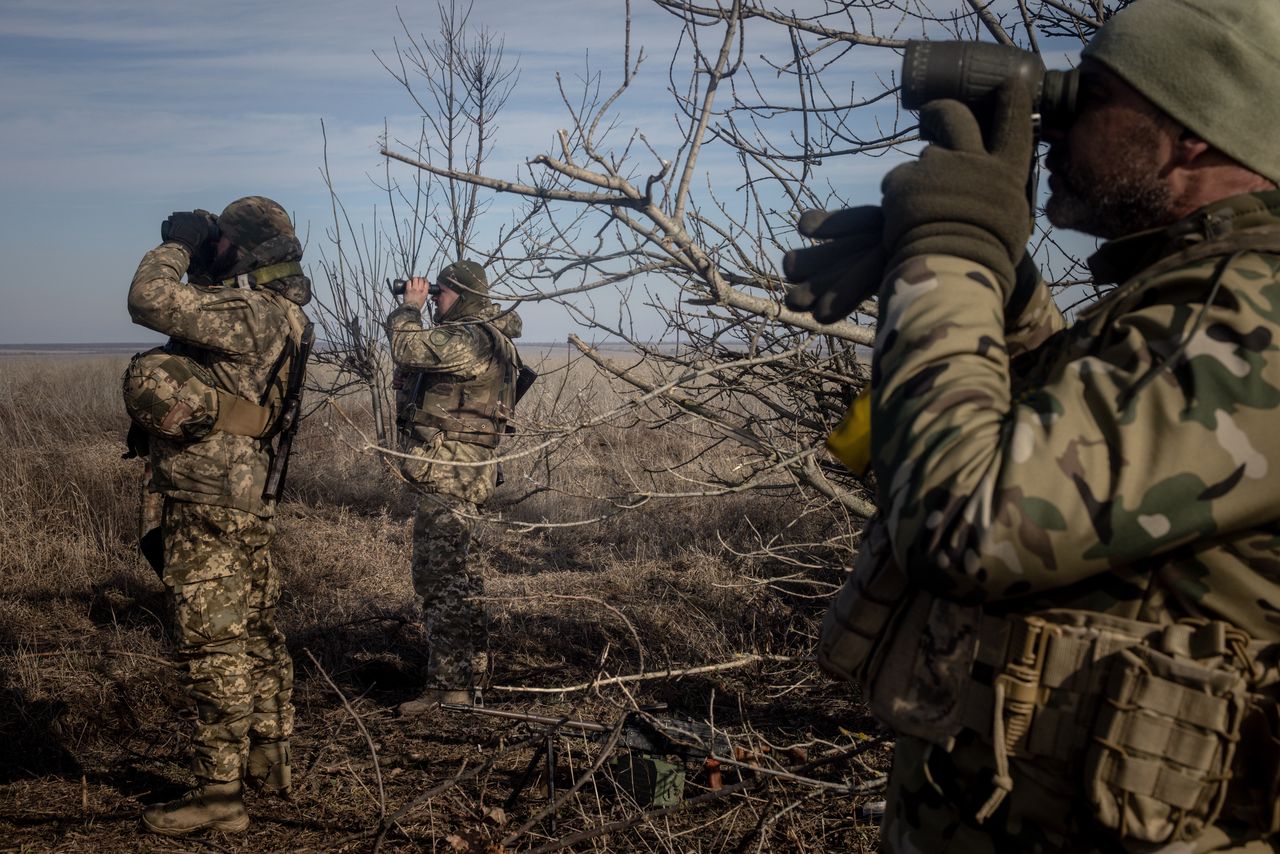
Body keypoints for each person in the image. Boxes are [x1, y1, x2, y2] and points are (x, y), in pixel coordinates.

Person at [789, 0, 1280, 851]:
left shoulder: (1256, 312)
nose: (1050, 127)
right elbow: (1079, 457)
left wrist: (951, 245)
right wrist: (1001, 287)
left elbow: (972, 517)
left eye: (1087, 96)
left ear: (1193, 130)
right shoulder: (1198, 297)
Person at [123, 196, 312, 836]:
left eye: (225, 242)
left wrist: (178, 245)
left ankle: (220, 796)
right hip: (245, 495)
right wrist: (213, 264)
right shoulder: (281, 314)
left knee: (212, 645)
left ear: (248, 251)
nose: (215, 250)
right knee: (255, 629)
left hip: (207, 497)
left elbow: (148, 299)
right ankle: (270, 759)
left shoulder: (250, 312)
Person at [387, 260, 524, 716]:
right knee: (462, 577)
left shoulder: (471, 336)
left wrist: (409, 308)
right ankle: (473, 673)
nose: (433, 300)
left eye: (439, 293)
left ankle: (447, 689)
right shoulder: (490, 338)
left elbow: (407, 347)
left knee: (439, 580)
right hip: (465, 471)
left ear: (461, 295)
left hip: (452, 472)